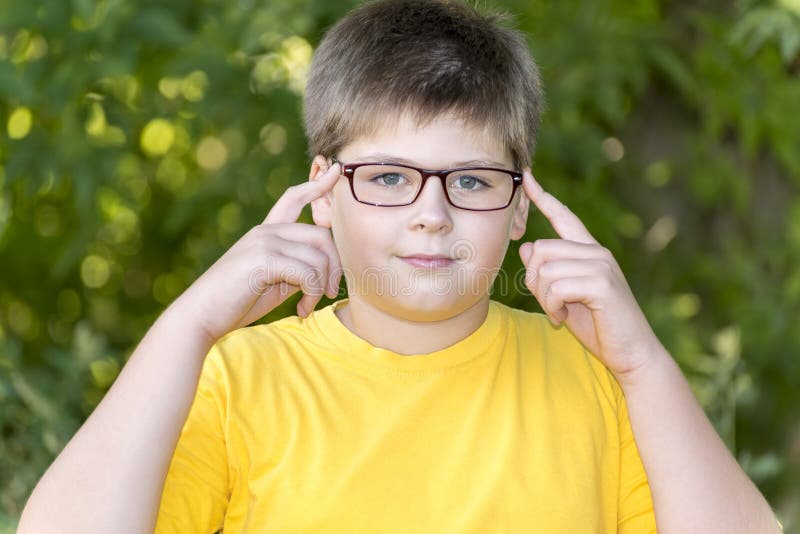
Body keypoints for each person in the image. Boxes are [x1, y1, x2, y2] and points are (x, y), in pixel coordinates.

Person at [18, 0, 783, 532]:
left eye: (472, 181)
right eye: (388, 177)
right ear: (324, 192)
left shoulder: (598, 382)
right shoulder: (233, 379)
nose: (431, 212)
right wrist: (188, 326)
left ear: (519, 210)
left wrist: (643, 363)